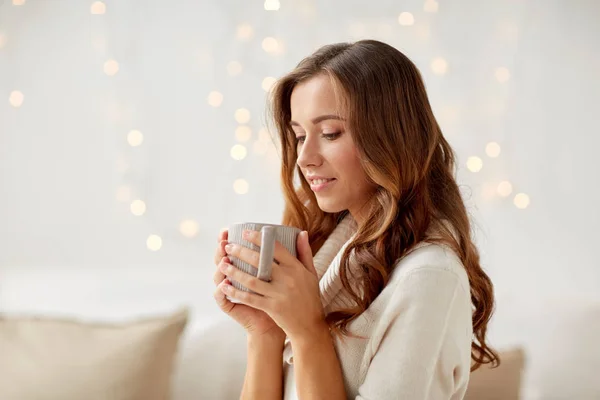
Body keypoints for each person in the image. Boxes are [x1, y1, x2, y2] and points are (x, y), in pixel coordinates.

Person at [212, 39, 499, 399]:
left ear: (392, 136)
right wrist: (266, 331)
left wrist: (308, 331)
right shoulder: (335, 254)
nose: (304, 158)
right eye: (299, 136)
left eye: (330, 133)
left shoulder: (428, 277)